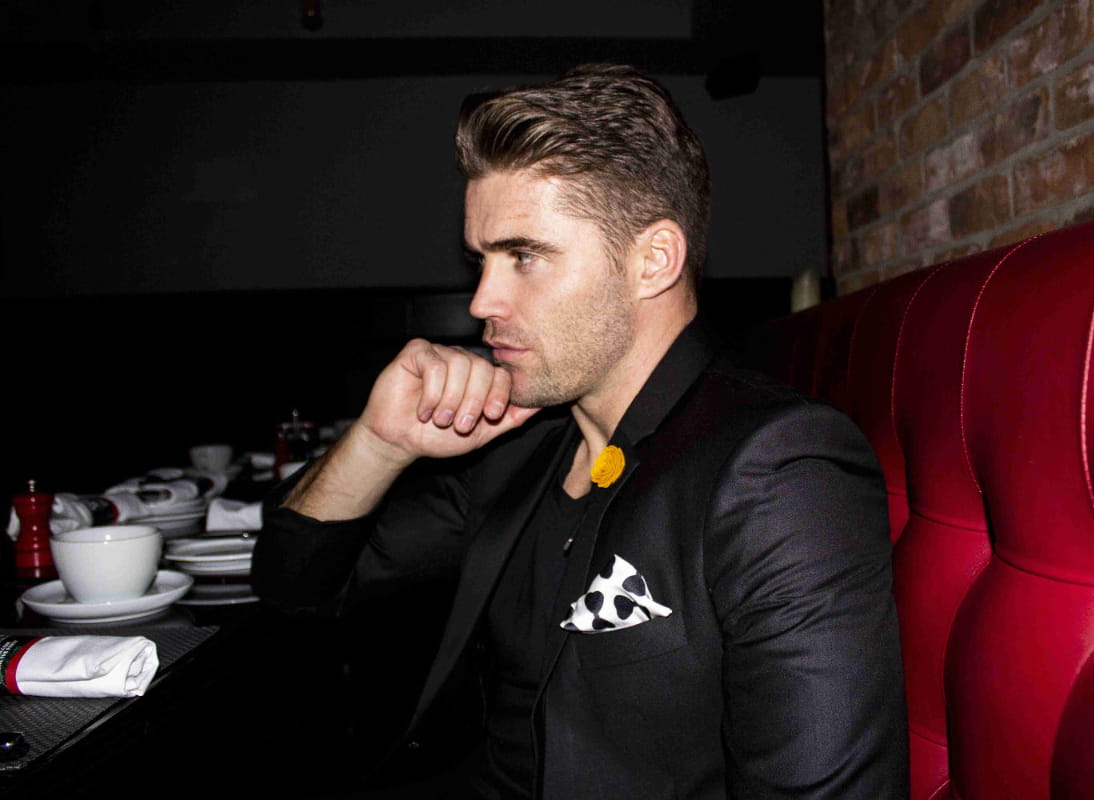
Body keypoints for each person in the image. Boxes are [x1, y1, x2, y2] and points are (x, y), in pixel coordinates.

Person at [252, 63, 907, 799]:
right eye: (482, 261)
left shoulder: (779, 472)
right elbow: (294, 587)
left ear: (652, 260)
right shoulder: (519, 446)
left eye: (524, 256)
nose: (481, 301)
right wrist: (379, 442)